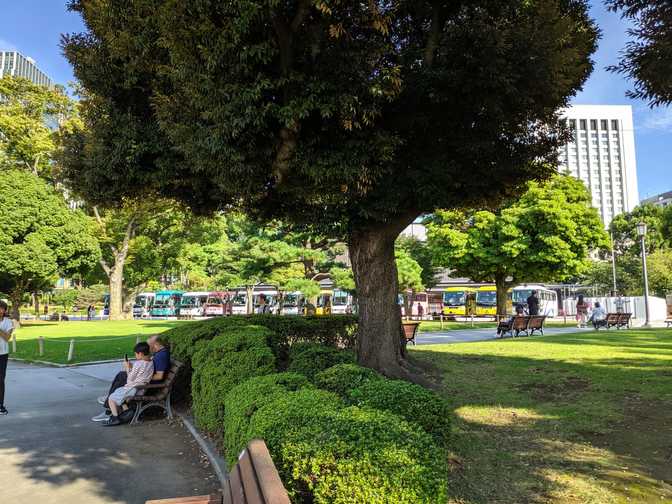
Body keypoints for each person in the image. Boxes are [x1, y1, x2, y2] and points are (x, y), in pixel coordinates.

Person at [92, 335, 171, 422]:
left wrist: (142, 375)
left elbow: (159, 376)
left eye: (149, 345)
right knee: (121, 375)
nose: (147, 348)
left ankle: (110, 407)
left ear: (155, 345)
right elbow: (146, 366)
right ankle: (111, 400)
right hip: (143, 380)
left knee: (122, 376)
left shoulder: (161, 356)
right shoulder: (158, 353)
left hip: (146, 385)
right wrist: (135, 368)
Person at [102, 342, 154, 426]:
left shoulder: (138, 364)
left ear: (140, 354)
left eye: (136, 354)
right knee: (119, 395)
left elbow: (130, 378)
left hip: (133, 389)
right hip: (142, 389)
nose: (135, 356)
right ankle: (125, 414)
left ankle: (115, 418)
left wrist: (127, 368)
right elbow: (142, 372)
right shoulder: (151, 362)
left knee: (111, 399)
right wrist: (132, 367)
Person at [0, 300, 14, 415]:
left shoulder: (8, 322)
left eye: (1, 308)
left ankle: (1, 405)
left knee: (0, 380)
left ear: (4, 310)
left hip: (2, 354)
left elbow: (7, 338)